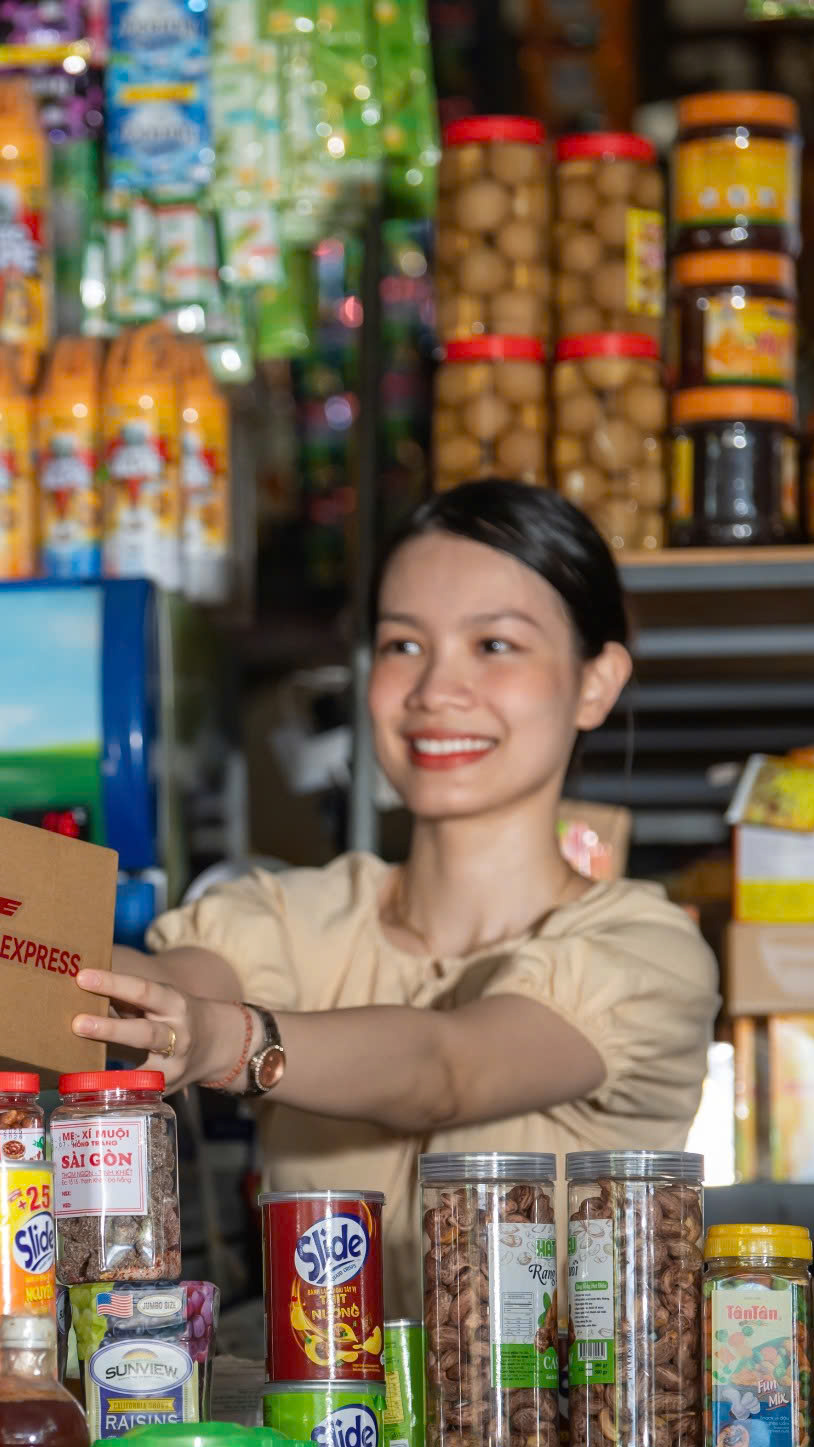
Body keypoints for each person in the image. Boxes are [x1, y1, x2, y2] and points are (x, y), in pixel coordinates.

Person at [73, 480, 717, 1305]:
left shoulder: (646, 954)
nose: (434, 691)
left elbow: (447, 1066)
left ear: (596, 683)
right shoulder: (295, 915)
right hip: (318, 1426)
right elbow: (161, 991)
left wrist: (229, 1043)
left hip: (560, 1432)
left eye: (495, 645)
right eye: (404, 645)